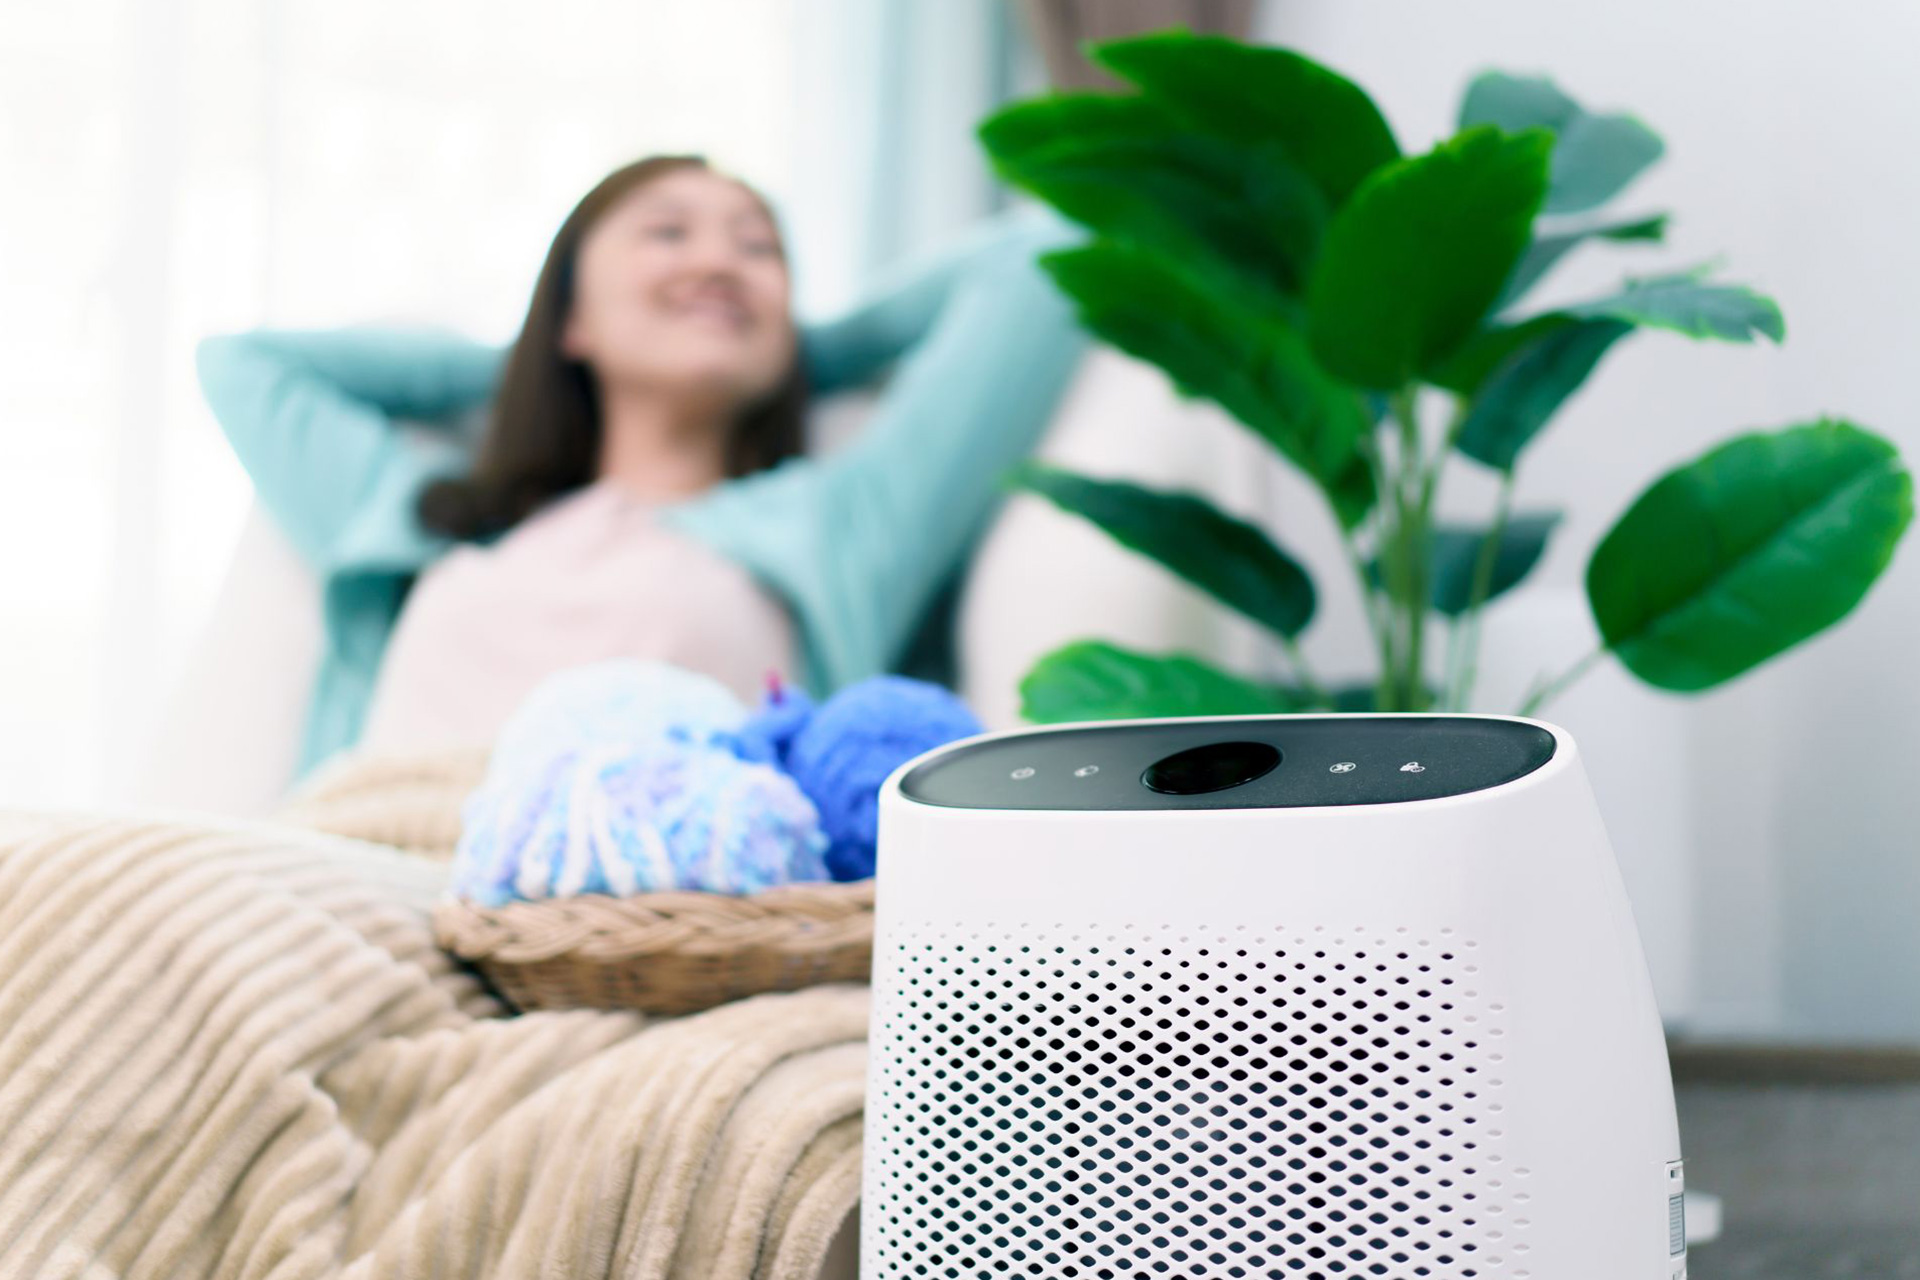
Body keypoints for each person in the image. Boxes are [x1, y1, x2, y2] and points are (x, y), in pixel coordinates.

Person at [196, 155, 1089, 776]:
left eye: (758, 251)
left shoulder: (832, 534)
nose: (717, 262)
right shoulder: (428, 513)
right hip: (362, 888)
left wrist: (794, 350)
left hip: (635, 941)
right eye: (668, 234)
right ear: (571, 314)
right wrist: (537, 357)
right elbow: (246, 366)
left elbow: (1046, 256)